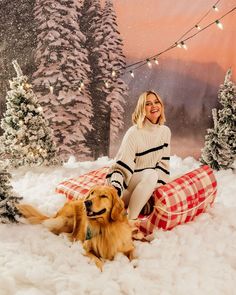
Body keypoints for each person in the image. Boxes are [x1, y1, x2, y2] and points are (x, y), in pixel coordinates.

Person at [106, 90, 171, 220]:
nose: (154, 106)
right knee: (151, 174)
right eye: (148, 104)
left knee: (154, 175)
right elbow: (121, 167)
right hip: (124, 185)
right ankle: (131, 221)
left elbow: (163, 166)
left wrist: (150, 193)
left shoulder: (165, 132)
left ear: (161, 105)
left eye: (156, 102)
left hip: (145, 183)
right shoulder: (134, 133)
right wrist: (115, 191)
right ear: (142, 109)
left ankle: (139, 204)